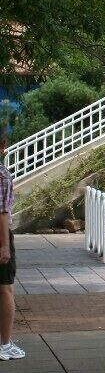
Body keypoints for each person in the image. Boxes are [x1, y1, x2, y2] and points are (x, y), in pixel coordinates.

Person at [0, 132, 24, 361]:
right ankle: (4, 344)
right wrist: (5, 246)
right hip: (0, 236)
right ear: (3, 146)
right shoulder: (2, 175)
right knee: (5, 288)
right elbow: (2, 212)